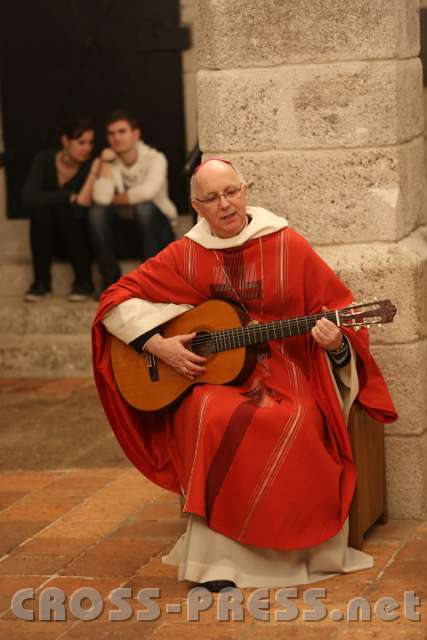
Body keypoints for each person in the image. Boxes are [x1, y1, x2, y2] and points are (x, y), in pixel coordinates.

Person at [92, 158, 397, 592]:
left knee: (290, 419)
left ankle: (288, 552)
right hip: (219, 377)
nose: (225, 205)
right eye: (212, 198)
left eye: (231, 192)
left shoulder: (287, 245)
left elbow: (341, 312)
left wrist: (334, 343)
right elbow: (114, 300)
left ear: (246, 191)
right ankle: (216, 561)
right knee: (201, 411)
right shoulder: (187, 254)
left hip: (290, 369)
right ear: (197, 206)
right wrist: (156, 345)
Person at [89, 109, 177, 293]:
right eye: (111, 134)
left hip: (159, 234)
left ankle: (151, 282)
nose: (116, 138)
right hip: (128, 235)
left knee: (143, 208)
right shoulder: (110, 162)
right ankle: (110, 281)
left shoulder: (155, 158)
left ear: (135, 134)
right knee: (96, 212)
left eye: (122, 131)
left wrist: (116, 199)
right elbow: (101, 199)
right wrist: (104, 163)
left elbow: (147, 192)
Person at [22, 116, 98, 302]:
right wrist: (65, 195)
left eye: (90, 143)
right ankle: (41, 283)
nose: (87, 148)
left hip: (80, 240)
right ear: (65, 141)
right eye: (81, 142)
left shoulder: (90, 166)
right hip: (48, 241)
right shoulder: (45, 159)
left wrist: (67, 199)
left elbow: (81, 209)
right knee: (41, 211)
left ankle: (84, 282)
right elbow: (28, 197)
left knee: (66, 210)